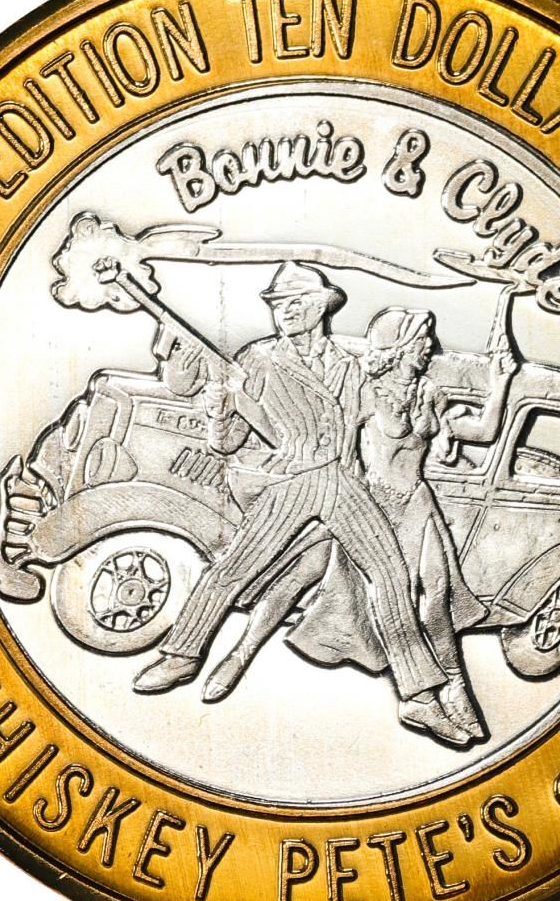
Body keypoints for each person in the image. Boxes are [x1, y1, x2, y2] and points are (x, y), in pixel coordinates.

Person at [133, 262, 471, 746]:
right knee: (232, 568)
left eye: (296, 303)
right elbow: (227, 442)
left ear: (320, 308)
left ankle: (417, 697)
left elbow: (375, 432)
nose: (285, 312)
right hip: (294, 480)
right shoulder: (257, 360)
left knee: (391, 576)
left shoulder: (349, 367)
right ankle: (181, 656)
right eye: (278, 305)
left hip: (342, 482)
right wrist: (220, 411)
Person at [204, 307, 516, 740]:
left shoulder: (429, 393)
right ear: (398, 348)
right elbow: (333, 444)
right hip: (366, 504)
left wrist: (501, 382)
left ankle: (453, 693)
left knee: (437, 598)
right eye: (422, 340)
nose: (430, 347)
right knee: (297, 576)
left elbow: (482, 432)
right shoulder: (363, 390)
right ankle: (238, 655)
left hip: (416, 504)